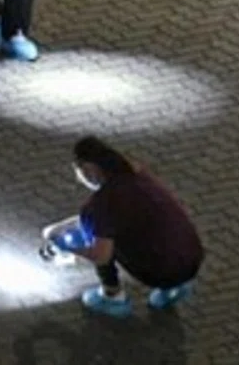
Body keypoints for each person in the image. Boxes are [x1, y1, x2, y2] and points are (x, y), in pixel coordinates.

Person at [47, 136, 204, 318]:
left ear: (89, 169)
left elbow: (101, 255)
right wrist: (59, 228)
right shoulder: (138, 175)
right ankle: (173, 290)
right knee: (109, 229)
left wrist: (68, 246)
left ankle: (112, 296)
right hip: (192, 260)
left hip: (161, 273)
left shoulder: (101, 204)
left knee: (98, 238)